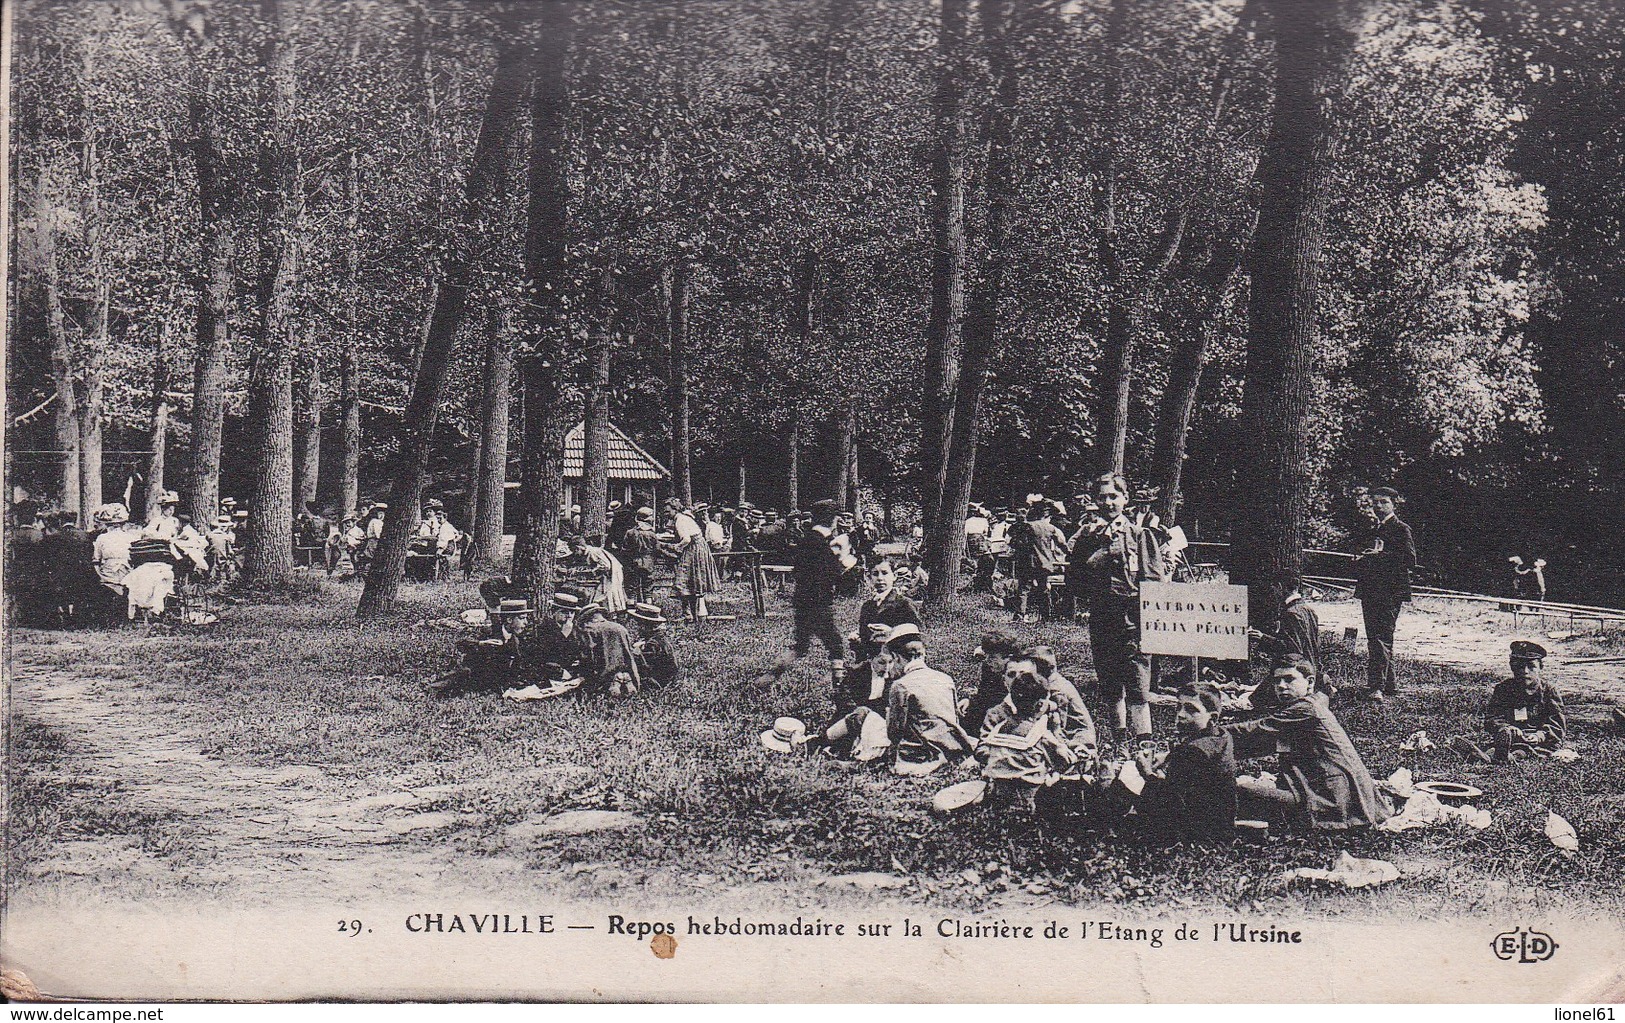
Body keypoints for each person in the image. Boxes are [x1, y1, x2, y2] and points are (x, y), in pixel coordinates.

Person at [1225, 664, 1389, 830]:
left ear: (1310, 682)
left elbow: (1253, 731)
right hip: (1338, 795)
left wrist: (1208, 732)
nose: (1281, 686)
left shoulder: (1305, 710)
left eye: (1289, 679)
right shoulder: (1311, 705)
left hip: (1334, 802)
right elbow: (1259, 743)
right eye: (1276, 681)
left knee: (1236, 792)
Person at [801, 624, 973, 773]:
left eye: (892, 661)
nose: (890, 668)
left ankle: (818, 744)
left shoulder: (902, 685)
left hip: (917, 751)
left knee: (862, 714)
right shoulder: (945, 678)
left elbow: (894, 733)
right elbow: (954, 719)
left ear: (897, 658)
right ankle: (819, 742)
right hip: (949, 747)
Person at [1077, 473, 1168, 749]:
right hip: (1103, 618)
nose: (1108, 502)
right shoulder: (1087, 537)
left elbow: (1153, 582)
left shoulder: (1140, 535)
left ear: (1125, 499)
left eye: (1114, 496)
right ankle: (1119, 739)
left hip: (1133, 619)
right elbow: (1076, 583)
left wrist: (1147, 622)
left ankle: (1144, 742)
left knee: (1138, 682)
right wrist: (1098, 556)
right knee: (1109, 681)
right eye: (1102, 497)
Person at [1130, 683, 1237, 844]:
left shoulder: (1193, 752)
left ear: (1212, 718)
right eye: (1178, 707)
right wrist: (1170, 755)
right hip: (1221, 823)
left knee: (1125, 792)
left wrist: (1147, 773)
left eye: (1191, 709)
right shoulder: (1222, 736)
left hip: (1198, 832)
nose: (1180, 715)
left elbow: (1170, 801)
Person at [765, 500, 852, 689]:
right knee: (835, 644)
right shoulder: (823, 542)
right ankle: (839, 685)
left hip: (802, 599)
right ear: (833, 519)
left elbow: (798, 571)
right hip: (819, 601)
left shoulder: (807, 539)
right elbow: (831, 573)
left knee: (801, 646)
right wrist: (845, 561)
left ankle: (769, 677)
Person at [978, 662, 1079, 812]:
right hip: (1030, 797)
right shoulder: (1040, 735)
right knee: (1068, 783)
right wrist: (1058, 733)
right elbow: (1064, 762)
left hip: (999, 795)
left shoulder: (999, 728)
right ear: (1039, 705)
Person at [1351, 485, 1416, 703]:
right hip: (1370, 590)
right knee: (1375, 638)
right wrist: (1360, 560)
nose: (1378, 506)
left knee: (1381, 638)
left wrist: (1378, 556)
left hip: (1389, 592)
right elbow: (1365, 555)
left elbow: (1409, 560)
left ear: (1393, 504)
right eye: (1375, 502)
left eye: (1383, 502)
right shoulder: (1372, 529)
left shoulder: (1401, 529)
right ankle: (1389, 684)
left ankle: (1376, 687)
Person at [1481, 641, 1566, 762]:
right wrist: (1507, 728)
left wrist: (1540, 735)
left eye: (1531, 666)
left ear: (1540, 667)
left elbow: (1557, 724)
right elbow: (1492, 718)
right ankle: (1491, 755)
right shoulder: (1504, 689)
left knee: (1530, 751)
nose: (1525, 671)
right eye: (1520, 666)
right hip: (1512, 738)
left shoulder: (1548, 691)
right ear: (1512, 667)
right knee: (1496, 746)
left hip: (1539, 741)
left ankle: (1506, 757)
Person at [1247, 579, 1327, 697]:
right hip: (1310, 667)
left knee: (1257, 699)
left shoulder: (1290, 613)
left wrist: (1262, 637)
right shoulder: (1308, 609)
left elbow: (1292, 648)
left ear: (1279, 586)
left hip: (1295, 669)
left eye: (1274, 588)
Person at [662, 499, 721, 624]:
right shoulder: (683, 518)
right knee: (690, 582)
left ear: (675, 509)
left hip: (694, 549)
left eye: (668, 512)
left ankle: (692, 614)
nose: (666, 514)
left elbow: (686, 539)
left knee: (685, 579)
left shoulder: (680, 520)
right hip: (697, 548)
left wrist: (675, 548)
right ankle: (690, 614)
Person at [1011, 501, 1067, 622]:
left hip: (1027, 562)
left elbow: (1015, 542)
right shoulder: (1051, 528)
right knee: (1043, 588)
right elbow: (1062, 544)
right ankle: (1045, 617)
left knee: (1024, 588)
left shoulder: (1027, 526)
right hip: (1044, 562)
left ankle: (1020, 615)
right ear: (1047, 516)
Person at [963, 629, 1025, 736]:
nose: (987, 660)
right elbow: (984, 696)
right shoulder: (989, 669)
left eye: (992, 657)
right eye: (986, 655)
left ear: (1008, 658)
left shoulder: (1023, 675)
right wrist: (970, 702)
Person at [856, 559, 920, 662]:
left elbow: (916, 639)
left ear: (894, 576)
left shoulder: (904, 604)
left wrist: (892, 632)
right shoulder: (867, 606)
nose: (880, 578)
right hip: (873, 663)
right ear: (869, 578)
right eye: (875, 574)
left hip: (898, 662)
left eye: (885, 573)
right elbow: (864, 642)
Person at [629, 602, 680, 687]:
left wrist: (635, 653)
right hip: (667, 678)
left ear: (645, 626)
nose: (637, 628)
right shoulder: (659, 638)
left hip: (659, 681)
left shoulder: (653, 643)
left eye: (639, 625)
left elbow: (645, 666)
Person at [622, 507, 660, 603]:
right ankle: (648, 610)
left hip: (633, 562)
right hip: (648, 563)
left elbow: (625, 550)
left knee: (631, 588)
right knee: (648, 589)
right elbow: (657, 549)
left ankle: (631, 611)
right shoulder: (652, 534)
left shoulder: (630, 532)